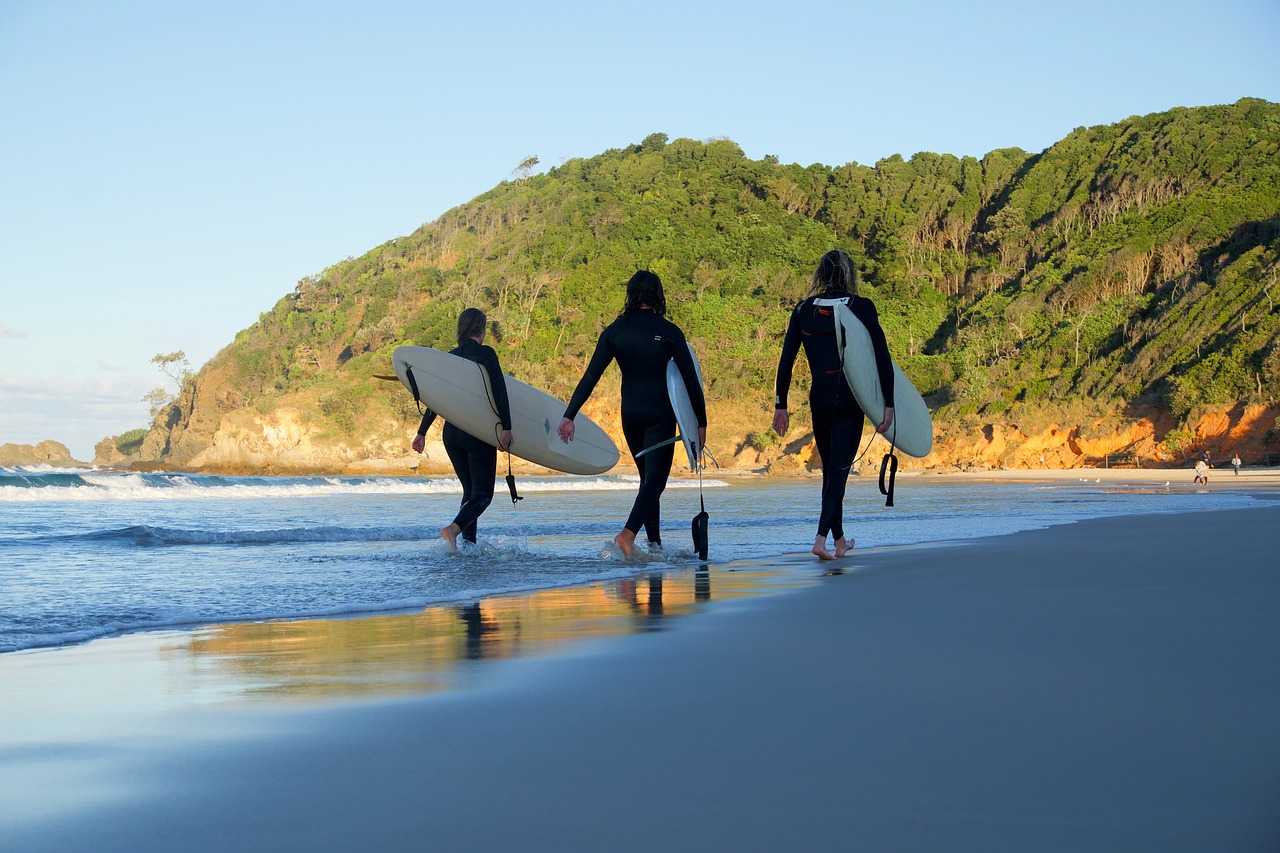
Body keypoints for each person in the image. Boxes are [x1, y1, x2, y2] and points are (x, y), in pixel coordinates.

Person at [558, 270, 707, 559]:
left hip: (630, 416)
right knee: (656, 481)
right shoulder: (669, 331)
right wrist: (701, 423)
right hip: (659, 414)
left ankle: (654, 546)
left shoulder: (614, 332)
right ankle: (627, 535)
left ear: (631, 295)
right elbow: (690, 382)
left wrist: (569, 415)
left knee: (647, 481)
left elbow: (590, 377)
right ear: (657, 296)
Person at [773, 249, 894, 561]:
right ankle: (820, 538)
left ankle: (839, 540)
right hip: (850, 399)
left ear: (821, 275)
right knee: (838, 471)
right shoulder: (862, 307)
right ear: (848, 275)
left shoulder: (803, 310)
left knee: (832, 470)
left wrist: (781, 405)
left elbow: (786, 360)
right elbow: (881, 358)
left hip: (820, 398)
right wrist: (888, 404)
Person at [411, 308, 513, 553]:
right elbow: (499, 389)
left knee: (470, 492)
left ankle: (468, 548)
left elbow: (436, 399)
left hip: (451, 434)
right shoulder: (486, 353)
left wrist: (421, 432)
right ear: (480, 329)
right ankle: (453, 530)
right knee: (483, 495)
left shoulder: (451, 357)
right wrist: (507, 427)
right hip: (475, 431)